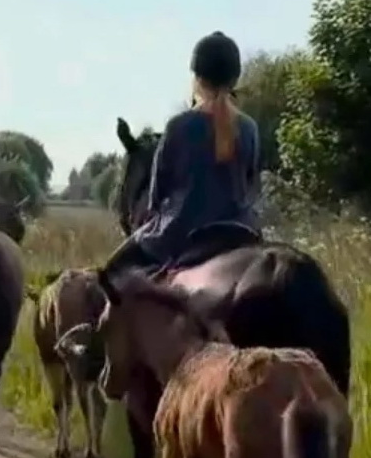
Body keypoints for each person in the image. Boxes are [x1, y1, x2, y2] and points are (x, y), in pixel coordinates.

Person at [103, 31, 261, 278]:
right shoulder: (249, 128)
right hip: (242, 233)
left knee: (111, 273)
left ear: (197, 78)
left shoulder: (179, 126)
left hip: (181, 233)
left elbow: (157, 195)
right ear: (235, 78)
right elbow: (252, 185)